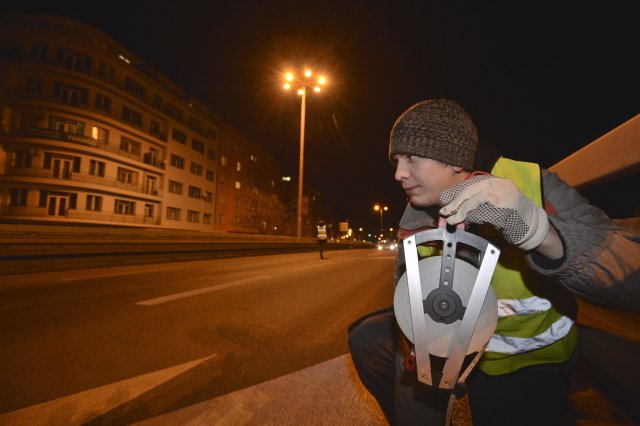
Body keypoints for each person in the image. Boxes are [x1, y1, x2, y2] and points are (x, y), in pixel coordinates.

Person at [348, 99, 640, 426]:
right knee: (368, 338)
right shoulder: (415, 218)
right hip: (457, 348)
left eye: (412, 157)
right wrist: (428, 349)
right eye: (397, 160)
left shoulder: (531, 183)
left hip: (525, 359)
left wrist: (540, 233)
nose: (399, 173)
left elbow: (632, 281)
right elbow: (408, 304)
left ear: (454, 158)